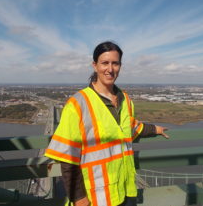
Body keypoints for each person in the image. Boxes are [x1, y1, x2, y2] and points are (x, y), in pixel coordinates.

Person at [45, 41, 169, 206]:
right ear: (95, 65)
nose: (110, 69)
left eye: (115, 63)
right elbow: (67, 157)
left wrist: (155, 129)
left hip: (125, 192)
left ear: (120, 66)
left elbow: (130, 128)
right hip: (95, 198)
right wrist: (78, 197)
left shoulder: (125, 99)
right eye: (105, 63)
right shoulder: (78, 104)